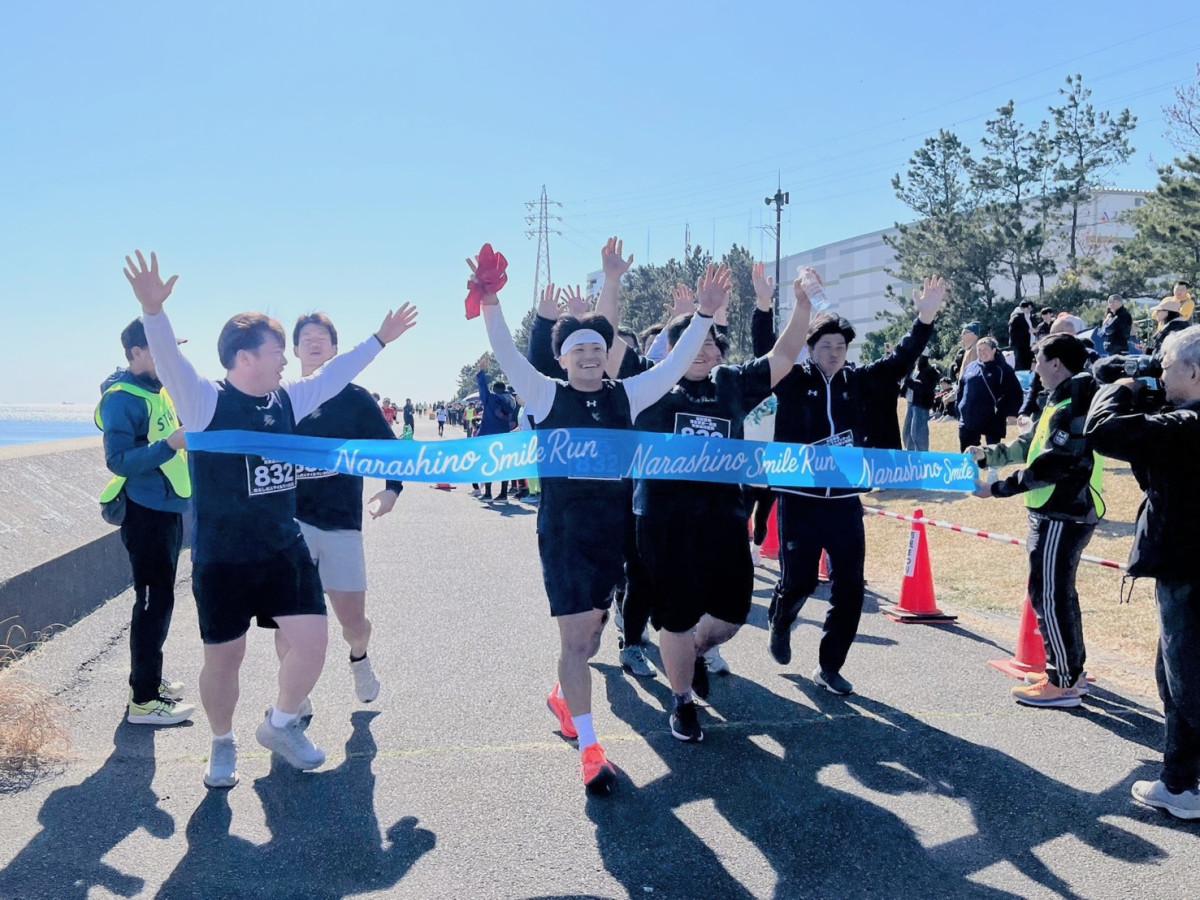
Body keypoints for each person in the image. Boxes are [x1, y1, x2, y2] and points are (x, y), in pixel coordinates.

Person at [123, 250, 418, 789]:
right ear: (244, 357)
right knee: (224, 661)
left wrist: (380, 339)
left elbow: (337, 373)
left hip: (283, 548)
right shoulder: (203, 402)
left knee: (313, 642)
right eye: (277, 351)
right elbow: (168, 359)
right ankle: (221, 742)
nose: (286, 360)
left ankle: (280, 724)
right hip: (223, 558)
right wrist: (153, 311)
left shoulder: (288, 399)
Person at [472, 248, 723, 795]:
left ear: (607, 354)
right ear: (562, 359)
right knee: (575, 640)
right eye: (577, 350)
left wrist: (703, 316)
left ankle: (563, 695)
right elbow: (506, 352)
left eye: (595, 348)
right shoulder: (545, 394)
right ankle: (590, 748)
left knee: (590, 637)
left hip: (612, 535)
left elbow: (674, 366)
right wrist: (490, 300)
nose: (588, 357)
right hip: (564, 537)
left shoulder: (626, 396)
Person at [624, 262, 812, 743]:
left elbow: (784, 355)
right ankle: (682, 701)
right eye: (695, 341)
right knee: (677, 617)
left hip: (725, 522)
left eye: (712, 341)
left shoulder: (731, 382)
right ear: (673, 350)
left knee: (730, 616)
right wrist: (609, 284)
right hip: (665, 525)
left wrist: (802, 306)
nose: (706, 349)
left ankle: (694, 652)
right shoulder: (650, 387)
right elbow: (608, 351)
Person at [760, 275, 948, 695]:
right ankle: (781, 618)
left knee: (850, 587)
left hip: (845, 502)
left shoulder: (857, 381)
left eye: (840, 347)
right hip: (800, 499)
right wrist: (764, 307)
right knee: (800, 582)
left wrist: (925, 318)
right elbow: (767, 352)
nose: (833, 353)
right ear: (811, 349)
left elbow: (900, 360)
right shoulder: (794, 380)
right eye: (825, 346)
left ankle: (829, 666)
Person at [1084, 326, 1200, 820]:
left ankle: (1181, 785)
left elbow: (1101, 431)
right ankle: (1180, 781)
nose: (1160, 373)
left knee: (1186, 680)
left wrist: (1120, 386)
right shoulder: (1180, 425)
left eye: (1166, 366)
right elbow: (1149, 463)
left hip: (1186, 568)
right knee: (1174, 673)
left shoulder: (1187, 424)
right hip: (1185, 564)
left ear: (1194, 371)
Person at [968, 334, 1104, 708]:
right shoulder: (1059, 399)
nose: (1034, 368)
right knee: (1058, 593)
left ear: (1056, 363)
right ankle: (1069, 672)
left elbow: (1048, 465)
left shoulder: (1073, 404)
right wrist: (987, 456)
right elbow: (1029, 445)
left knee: (1050, 595)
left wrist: (997, 488)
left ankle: (1062, 683)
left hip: (1063, 513)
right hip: (1057, 512)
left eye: (1038, 360)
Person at [292, 313, 405, 708]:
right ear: (294, 350)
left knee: (354, 624)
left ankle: (359, 658)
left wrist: (391, 490)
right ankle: (294, 698)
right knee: (289, 623)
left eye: (322, 337)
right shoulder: (282, 399)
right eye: (306, 337)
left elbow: (390, 449)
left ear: (337, 349)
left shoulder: (356, 399)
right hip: (291, 524)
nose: (314, 342)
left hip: (341, 523)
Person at [95, 319, 195, 726]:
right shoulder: (122, 398)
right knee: (153, 602)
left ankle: (148, 678)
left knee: (162, 599)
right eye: (160, 348)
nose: (170, 357)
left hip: (168, 509)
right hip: (145, 512)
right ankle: (144, 699)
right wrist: (169, 445)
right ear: (136, 352)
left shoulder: (159, 388)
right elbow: (118, 460)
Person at [957, 337, 1023, 451]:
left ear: (994, 350)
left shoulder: (1003, 369)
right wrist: (959, 407)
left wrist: (1011, 412)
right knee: (967, 452)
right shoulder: (971, 367)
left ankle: (991, 463)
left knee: (992, 451)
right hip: (969, 416)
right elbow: (961, 389)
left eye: (985, 349)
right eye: (979, 350)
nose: (982, 352)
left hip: (992, 417)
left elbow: (1015, 393)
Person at [474, 360, 517, 502]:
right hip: (504, 436)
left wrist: (481, 372)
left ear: (494, 389)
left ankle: (488, 493)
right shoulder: (511, 401)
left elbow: (482, 388)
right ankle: (503, 494)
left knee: (488, 463)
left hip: (488, 435)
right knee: (504, 464)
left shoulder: (491, 399)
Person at [903, 353, 938, 452]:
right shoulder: (914, 368)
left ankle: (922, 456)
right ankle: (911, 454)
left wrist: (909, 382)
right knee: (908, 433)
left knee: (918, 434)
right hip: (911, 403)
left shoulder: (929, 371)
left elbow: (924, 388)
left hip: (921, 405)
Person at [1008, 300, 1035, 371]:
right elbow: (1013, 332)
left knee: (1029, 363)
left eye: (1030, 308)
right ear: (1023, 308)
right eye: (1028, 308)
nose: (1029, 310)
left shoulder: (1029, 316)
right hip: (1020, 345)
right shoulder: (1016, 317)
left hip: (1029, 344)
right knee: (1021, 364)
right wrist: (1027, 331)